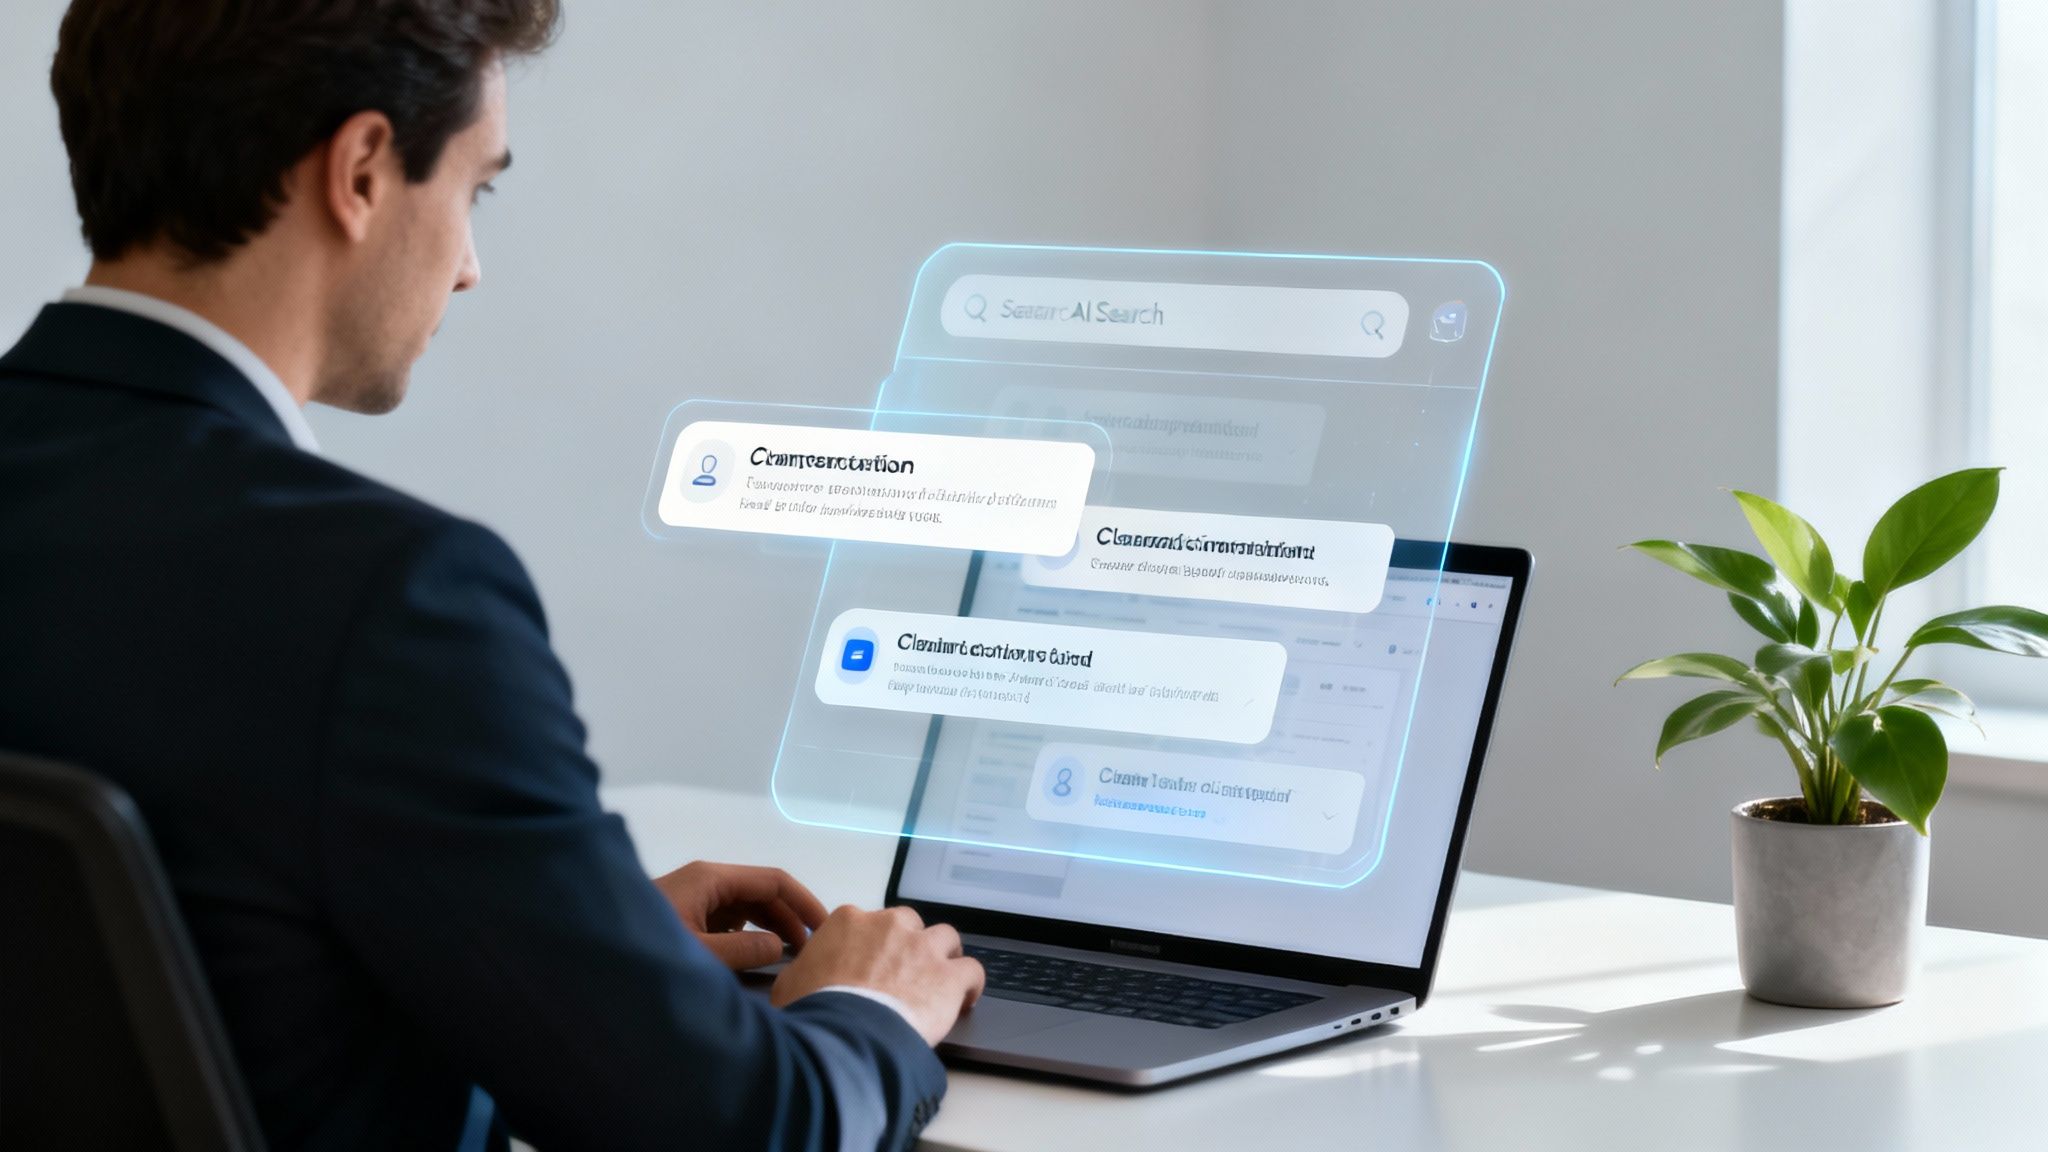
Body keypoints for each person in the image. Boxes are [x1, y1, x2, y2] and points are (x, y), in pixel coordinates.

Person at [0, 2, 983, 1149]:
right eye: (477, 190)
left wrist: (564, 945)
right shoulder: (392, 600)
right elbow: (737, 1130)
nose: (469, 269)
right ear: (363, 170)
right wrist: (874, 1008)